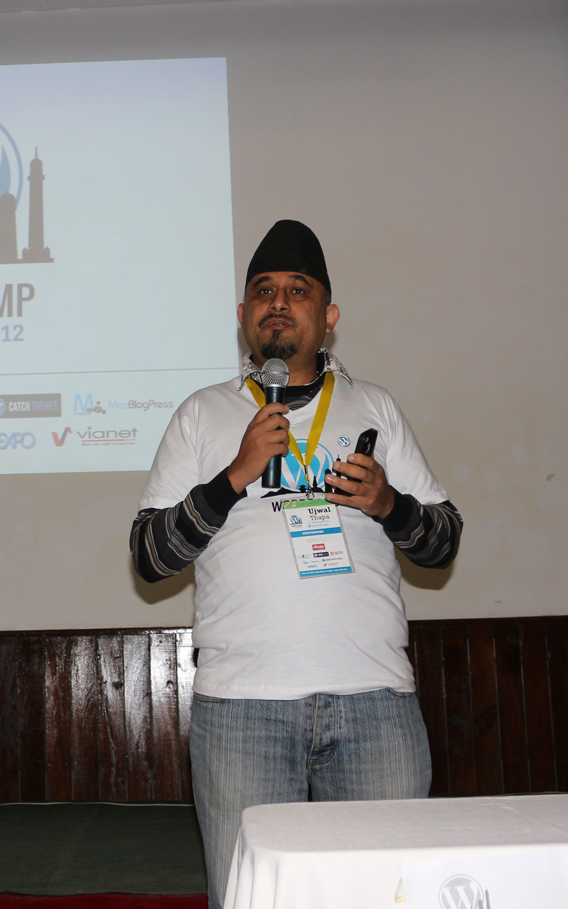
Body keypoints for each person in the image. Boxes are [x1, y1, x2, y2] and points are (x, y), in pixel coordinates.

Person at [129, 219, 462, 909]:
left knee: (387, 896)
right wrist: (234, 475)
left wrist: (389, 504)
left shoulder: (375, 407)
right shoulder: (202, 414)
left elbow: (443, 543)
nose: (278, 302)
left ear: (328, 316)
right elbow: (150, 556)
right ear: (244, 315)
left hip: (374, 701)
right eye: (263, 291)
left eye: (298, 290)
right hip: (242, 709)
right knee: (253, 898)